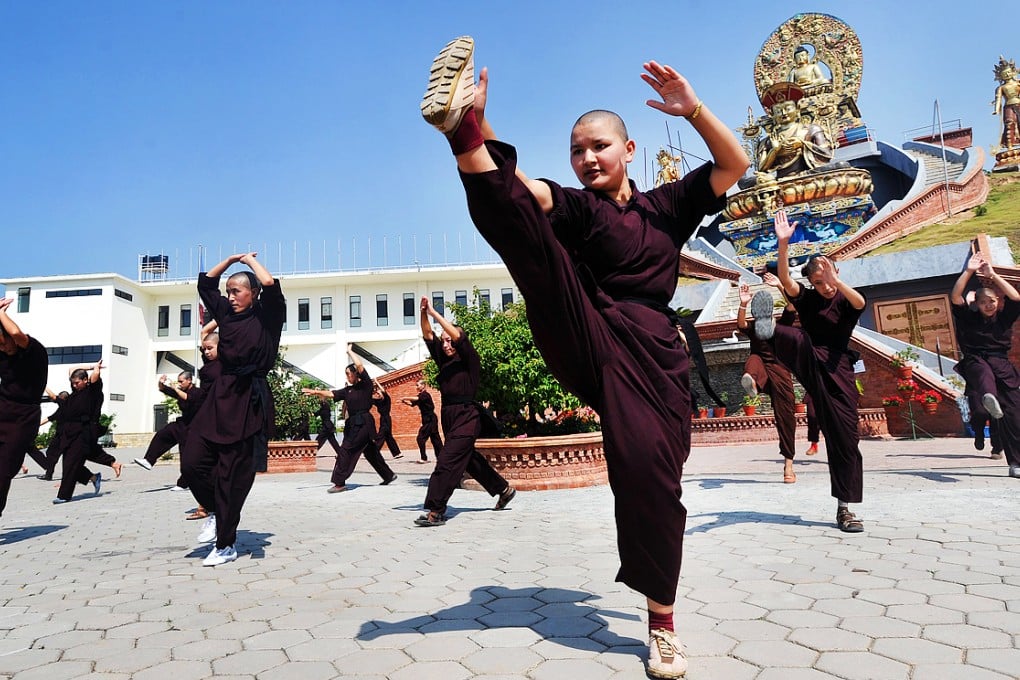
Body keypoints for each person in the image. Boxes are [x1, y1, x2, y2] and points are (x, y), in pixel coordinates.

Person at [420, 36, 747, 679]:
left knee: (650, 476)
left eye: (599, 146)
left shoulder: (668, 207)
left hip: (655, 356)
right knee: (533, 246)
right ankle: (461, 132)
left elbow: (735, 163)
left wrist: (694, 108)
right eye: (577, 150)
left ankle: (662, 624)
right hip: (589, 329)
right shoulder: (577, 205)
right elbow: (531, 193)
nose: (587, 157)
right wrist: (485, 138)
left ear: (630, 150)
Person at [763, 209, 867, 533]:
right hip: (810, 358)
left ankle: (844, 508)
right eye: (819, 283)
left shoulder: (847, 301)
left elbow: (861, 303)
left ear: (837, 272)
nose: (826, 287)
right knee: (789, 335)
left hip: (838, 371)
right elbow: (785, 279)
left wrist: (837, 282)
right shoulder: (807, 299)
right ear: (811, 282)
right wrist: (783, 246)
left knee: (846, 440)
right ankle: (767, 332)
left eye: (829, 279)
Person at [182, 253, 285, 566]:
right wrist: (228, 261)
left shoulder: (268, 315)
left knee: (231, 476)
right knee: (192, 461)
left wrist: (248, 262)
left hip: (248, 400)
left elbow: (268, 283)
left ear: (252, 294)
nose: (230, 297)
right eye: (228, 293)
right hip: (221, 395)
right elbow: (206, 283)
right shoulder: (226, 315)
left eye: (236, 291)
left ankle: (225, 544)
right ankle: (215, 510)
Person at [415, 297, 515, 527]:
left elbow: (458, 336)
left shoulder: (470, 359)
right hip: (449, 417)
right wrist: (423, 313)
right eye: (444, 342)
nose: (446, 344)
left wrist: (434, 312)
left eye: (449, 340)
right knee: (470, 460)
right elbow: (428, 334)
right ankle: (504, 489)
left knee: (446, 462)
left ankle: (436, 510)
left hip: (467, 416)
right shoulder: (444, 362)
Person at [950, 252, 1020, 477]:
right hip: (976, 359)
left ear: (997, 302)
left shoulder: (1003, 317)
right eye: (983, 302)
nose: (988, 305)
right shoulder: (969, 318)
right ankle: (989, 399)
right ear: (977, 304)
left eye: (992, 301)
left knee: (1015, 416)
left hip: (1002, 363)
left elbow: (1016, 298)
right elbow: (955, 297)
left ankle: (1016, 463)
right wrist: (969, 271)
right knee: (983, 377)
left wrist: (993, 275)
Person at [301, 344, 396, 492]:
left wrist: (350, 351)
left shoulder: (365, 385)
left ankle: (339, 482)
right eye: (345, 374)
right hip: (354, 424)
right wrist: (314, 392)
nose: (347, 376)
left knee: (346, 450)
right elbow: (332, 394)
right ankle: (388, 475)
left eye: (348, 373)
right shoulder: (348, 390)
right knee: (370, 451)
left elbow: (359, 365)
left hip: (363, 424)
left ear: (355, 374)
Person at [736, 275, 798, 483]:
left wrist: (743, 304)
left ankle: (751, 381)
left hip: (762, 370)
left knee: (752, 361)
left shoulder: (757, 328)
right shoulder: (781, 325)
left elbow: (740, 323)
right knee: (786, 418)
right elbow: (792, 305)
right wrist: (781, 286)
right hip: (779, 373)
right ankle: (788, 468)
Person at [0, 297, 48, 518]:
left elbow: (18, 335)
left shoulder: (35, 351)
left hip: (23, 418)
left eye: (2, 342)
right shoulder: (2, 356)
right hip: (2, 409)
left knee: (4, 471)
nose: (1, 347)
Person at [53, 361, 106, 504]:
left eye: (77, 383)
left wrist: (96, 368)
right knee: (70, 463)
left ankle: (63, 496)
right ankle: (94, 478)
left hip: (83, 432)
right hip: (69, 432)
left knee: (71, 463)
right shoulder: (74, 393)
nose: (74, 385)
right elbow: (71, 368)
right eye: (73, 383)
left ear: (85, 380)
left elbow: (95, 376)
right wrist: (90, 365)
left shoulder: (92, 391)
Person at [757, 83, 833, 179]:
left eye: (788, 108)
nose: (783, 113)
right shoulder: (768, 141)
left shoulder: (812, 129)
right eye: (778, 111)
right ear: (773, 115)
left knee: (840, 166)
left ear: (797, 109)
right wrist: (774, 151)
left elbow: (826, 154)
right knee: (746, 181)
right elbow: (761, 169)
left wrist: (803, 144)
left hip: (807, 175)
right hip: (779, 179)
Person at [134, 371, 206, 471]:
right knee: (162, 434)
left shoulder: (198, 392)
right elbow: (163, 389)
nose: (179, 384)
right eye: (178, 382)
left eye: (181, 381)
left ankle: (184, 483)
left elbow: (189, 398)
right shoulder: (180, 391)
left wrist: (175, 388)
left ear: (189, 380)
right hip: (182, 424)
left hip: (194, 426)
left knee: (186, 455)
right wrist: (161, 382)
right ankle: (149, 460)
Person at [402, 380, 442, 463]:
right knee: (435, 439)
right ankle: (442, 458)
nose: (417, 387)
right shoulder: (421, 396)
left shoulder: (425, 395)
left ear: (423, 385)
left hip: (430, 420)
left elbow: (416, 398)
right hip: (428, 420)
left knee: (421, 438)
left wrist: (405, 397)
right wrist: (405, 402)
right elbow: (412, 404)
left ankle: (424, 458)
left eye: (418, 385)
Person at [992, 56, 1020, 151]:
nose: (1007, 74)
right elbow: (998, 99)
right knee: (1009, 124)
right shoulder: (1001, 88)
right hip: (1008, 106)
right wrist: (996, 110)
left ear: (1012, 72)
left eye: (1008, 72)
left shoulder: (1018, 83)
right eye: (1005, 73)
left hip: (1018, 104)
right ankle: (1009, 145)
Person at [371, 379, 403, 459]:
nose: (377, 395)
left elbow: (383, 390)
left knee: (381, 435)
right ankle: (397, 453)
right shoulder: (378, 402)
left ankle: (374, 452)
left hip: (387, 419)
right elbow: (369, 398)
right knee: (388, 437)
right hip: (383, 419)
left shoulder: (386, 399)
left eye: (379, 393)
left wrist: (377, 382)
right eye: (377, 394)